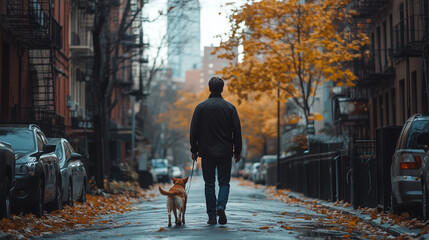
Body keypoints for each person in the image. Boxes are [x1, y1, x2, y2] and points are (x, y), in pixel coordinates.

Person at [190, 77, 242, 225]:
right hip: (225, 152)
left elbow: (193, 130)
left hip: (206, 152)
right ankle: (221, 206)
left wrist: (194, 149)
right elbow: (237, 132)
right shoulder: (230, 108)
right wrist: (237, 151)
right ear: (222, 89)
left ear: (209, 88)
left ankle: (212, 216)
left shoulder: (200, 108)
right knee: (224, 182)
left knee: (209, 184)